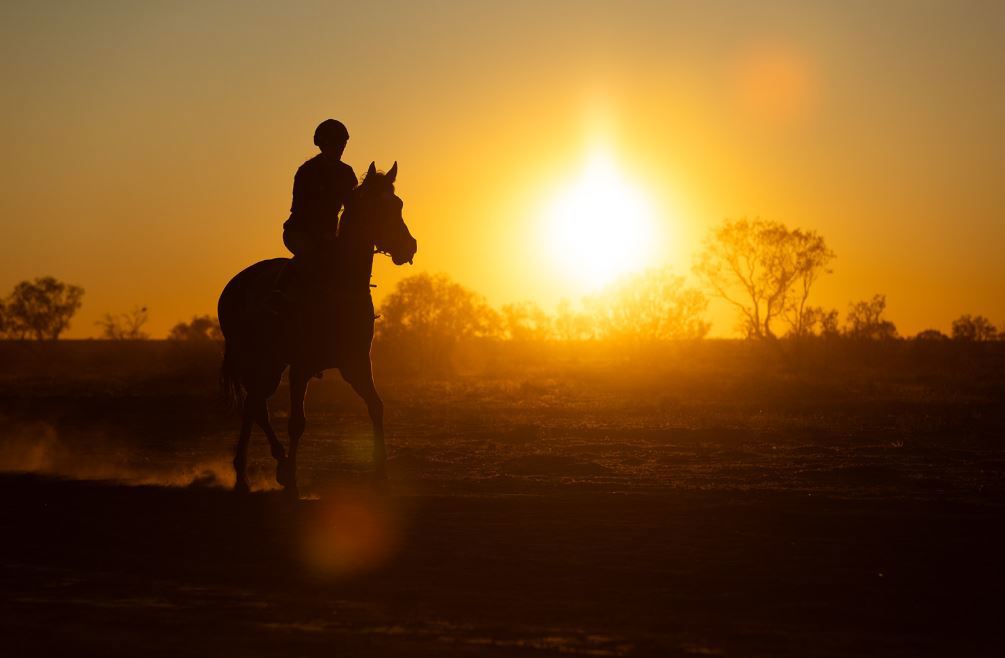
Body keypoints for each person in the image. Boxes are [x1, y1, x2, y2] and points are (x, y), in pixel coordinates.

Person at [269, 119, 358, 311]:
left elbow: (353, 209)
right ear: (323, 144)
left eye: (343, 144)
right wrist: (321, 235)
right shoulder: (307, 172)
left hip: (329, 237)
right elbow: (300, 210)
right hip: (299, 233)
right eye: (336, 143)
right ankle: (279, 290)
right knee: (310, 256)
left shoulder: (347, 173)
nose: (340, 148)